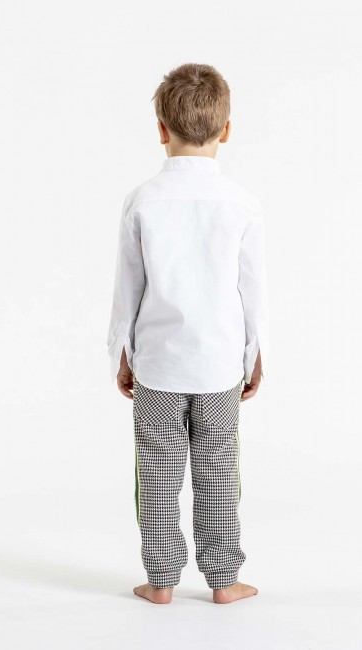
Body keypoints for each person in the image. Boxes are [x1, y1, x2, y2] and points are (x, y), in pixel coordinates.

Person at [107, 63, 269, 605]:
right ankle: (224, 580)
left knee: (156, 470)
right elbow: (253, 289)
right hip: (220, 365)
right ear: (227, 129)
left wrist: (123, 352)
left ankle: (160, 581)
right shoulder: (242, 203)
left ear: (161, 128)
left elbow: (128, 288)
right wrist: (255, 353)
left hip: (157, 365)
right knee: (219, 469)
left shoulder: (142, 200)